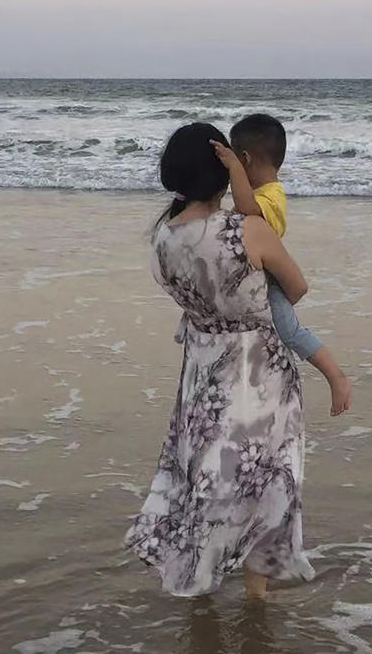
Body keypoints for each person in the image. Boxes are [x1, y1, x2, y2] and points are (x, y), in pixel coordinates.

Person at [125, 122, 323, 599]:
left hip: (202, 374)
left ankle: (199, 580)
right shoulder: (244, 230)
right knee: (267, 479)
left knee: (205, 477)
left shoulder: (162, 239)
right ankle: (256, 591)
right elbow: (296, 289)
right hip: (258, 374)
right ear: (224, 169)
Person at [210, 113, 352, 418]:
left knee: (289, 329)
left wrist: (232, 167)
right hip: (259, 273)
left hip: (271, 278)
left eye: (237, 163)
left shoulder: (271, 196)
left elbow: (246, 209)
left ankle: (335, 376)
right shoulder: (262, 193)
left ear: (245, 159)